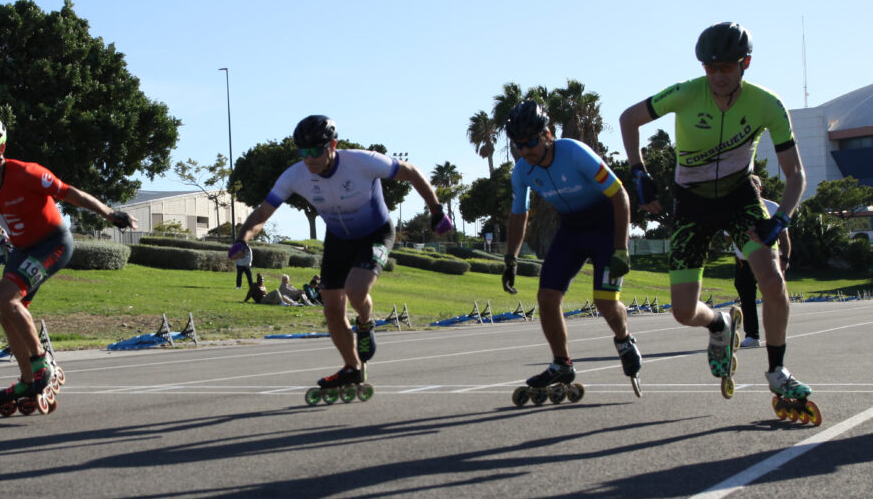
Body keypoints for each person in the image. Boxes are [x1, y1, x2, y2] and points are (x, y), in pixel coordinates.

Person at [619, 21, 809, 403]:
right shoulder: (687, 93)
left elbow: (796, 174)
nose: (718, 76)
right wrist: (638, 170)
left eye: (727, 67)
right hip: (692, 204)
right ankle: (720, 324)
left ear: (746, 63)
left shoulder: (767, 104)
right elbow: (629, 119)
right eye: (711, 68)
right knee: (683, 311)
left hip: (740, 200)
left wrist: (781, 217)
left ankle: (777, 370)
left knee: (772, 281)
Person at [0, 116, 136, 411]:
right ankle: (27, 379)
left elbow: (71, 193)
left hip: (54, 243)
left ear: (0, 149)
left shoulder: (27, 173)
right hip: (23, 250)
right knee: (6, 314)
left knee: (3, 296)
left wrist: (109, 212)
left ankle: (41, 363)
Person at [229, 115, 450, 390]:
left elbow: (412, 172)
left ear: (332, 145)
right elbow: (263, 212)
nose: (309, 159)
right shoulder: (295, 175)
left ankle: (366, 323)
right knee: (332, 309)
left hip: (375, 233)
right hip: (338, 238)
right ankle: (352, 368)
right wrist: (242, 239)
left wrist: (436, 209)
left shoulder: (362, 161)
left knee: (356, 290)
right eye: (303, 152)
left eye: (316, 151)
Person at [501, 101, 642, 393]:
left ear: (547, 135)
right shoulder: (522, 171)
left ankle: (624, 338)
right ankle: (561, 363)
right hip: (572, 230)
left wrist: (620, 248)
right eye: (518, 145)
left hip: (606, 227)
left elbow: (620, 196)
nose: (525, 151)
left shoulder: (575, 152)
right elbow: (519, 214)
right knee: (546, 298)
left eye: (530, 142)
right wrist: (511, 259)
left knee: (605, 302)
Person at [729, 176, 791, 348]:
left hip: (769, 260)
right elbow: (728, 237)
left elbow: (784, 236)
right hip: (744, 260)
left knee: (773, 298)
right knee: (746, 298)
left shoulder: (772, 207)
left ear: (760, 188)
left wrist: (785, 258)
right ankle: (752, 335)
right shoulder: (735, 208)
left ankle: (777, 336)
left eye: (754, 185)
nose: (751, 187)